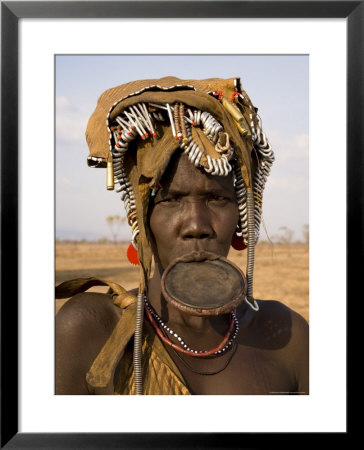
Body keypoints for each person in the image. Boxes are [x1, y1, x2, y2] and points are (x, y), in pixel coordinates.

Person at [55, 76, 309, 395]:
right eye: (170, 200)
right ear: (141, 222)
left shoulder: (289, 337)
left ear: (242, 218)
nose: (196, 225)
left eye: (217, 199)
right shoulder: (90, 328)